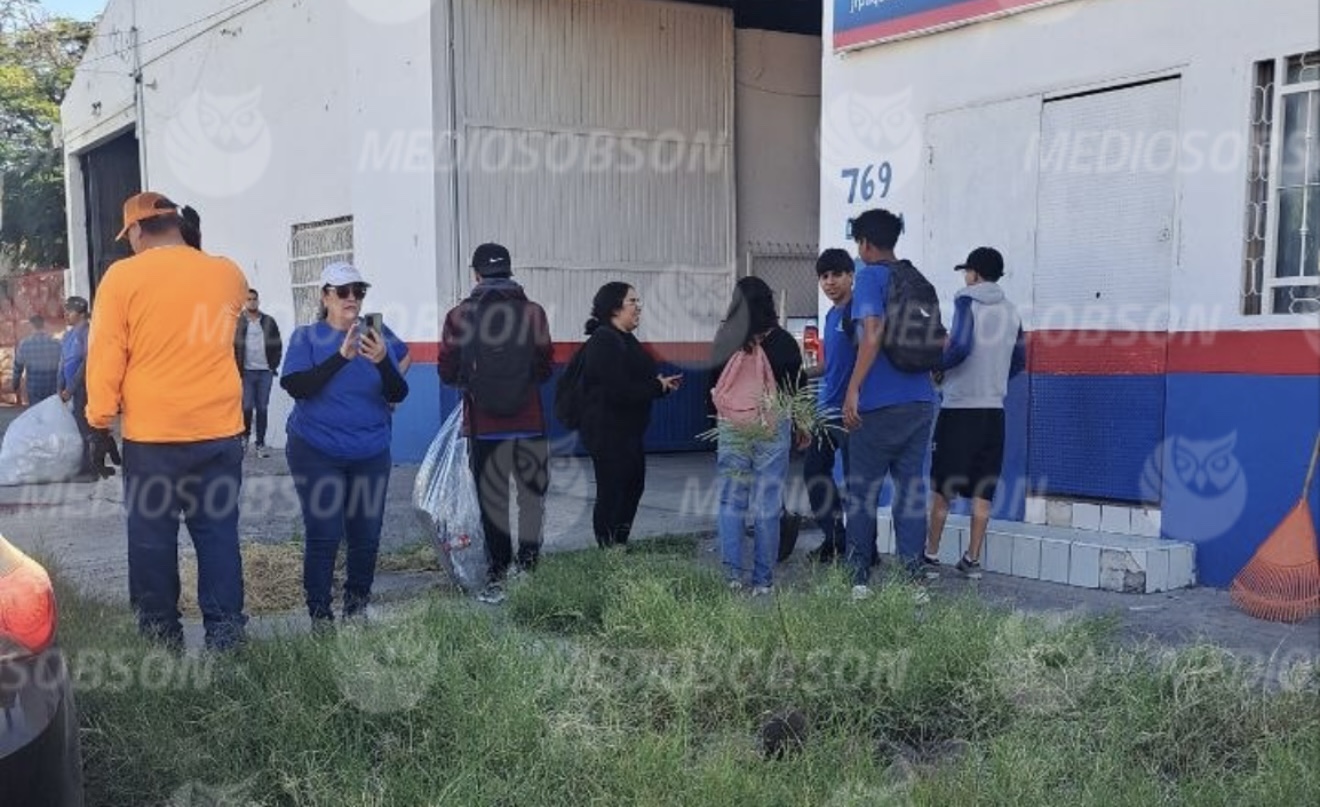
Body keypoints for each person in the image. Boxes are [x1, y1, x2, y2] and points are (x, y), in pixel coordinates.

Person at [87, 191, 249, 651]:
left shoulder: (122, 278)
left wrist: (99, 420)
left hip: (154, 438)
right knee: (218, 537)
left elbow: (107, 355)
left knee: (152, 543)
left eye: (130, 236)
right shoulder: (228, 273)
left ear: (137, 230)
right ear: (178, 224)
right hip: (220, 433)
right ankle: (226, 638)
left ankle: (162, 640)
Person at [280, 262, 408, 627]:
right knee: (325, 534)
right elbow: (295, 386)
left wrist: (383, 362)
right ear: (325, 296)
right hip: (316, 449)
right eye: (343, 291)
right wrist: (341, 358)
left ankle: (356, 608)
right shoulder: (306, 337)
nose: (352, 298)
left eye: (358, 291)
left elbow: (398, 390)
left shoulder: (377, 333)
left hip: (370, 450)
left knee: (365, 534)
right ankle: (320, 615)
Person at [438, 243, 553, 605]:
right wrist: (523, 383)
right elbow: (546, 365)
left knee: (493, 502)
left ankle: (498, 573)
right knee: (531, 499)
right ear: (509, 271)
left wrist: (472, 384)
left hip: (483, 425)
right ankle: (529, 566)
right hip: (529, 422)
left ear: (476, 274)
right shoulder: (533, 313)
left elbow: (446, 369)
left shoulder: (459, 316)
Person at [843, 208, 939, 600]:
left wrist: (853, 388)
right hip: (921, 401)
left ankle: (858, 580)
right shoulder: (916, 279)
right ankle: (914, 580)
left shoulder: (870, 277)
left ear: (865, 243)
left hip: (878, 405)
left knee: (862, 493)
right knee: (911, 490)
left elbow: (872, 332)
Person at [923, 247, 1026, 579]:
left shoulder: (966, 301)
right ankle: (972, 559)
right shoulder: (1012, 311)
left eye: (967, 271)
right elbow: (1020, 361)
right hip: (993, 412)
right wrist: (994, 380)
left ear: (976, 274)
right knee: (984, 489)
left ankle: (931, 555)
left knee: (943, 486)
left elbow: (961, 346)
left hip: (959, 409)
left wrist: (938, 366)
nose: (965, 277)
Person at [709, 275, 804, 595]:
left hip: (732, 427)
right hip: (772, 427)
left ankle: (732, 576)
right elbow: (796, 389)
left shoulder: (725, 338)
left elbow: (713, 386)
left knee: (731, 501)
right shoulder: (784, 342)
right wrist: (802, 425)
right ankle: (763, 580)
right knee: (767, 503)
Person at [578, 282, 682, 549]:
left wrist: (659, 385)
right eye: (632, 301)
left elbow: (632, 380)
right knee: (612, 492)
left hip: (629, 432)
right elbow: (618, 389)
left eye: (638, 301)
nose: (638, 307)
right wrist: (656, 387)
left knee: (633, 486)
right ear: (615, 308)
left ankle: (619, 544)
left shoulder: (625, 338)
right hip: (608, 432)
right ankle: (608, 550)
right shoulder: (604, 340)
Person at [802, 249, 857, 564]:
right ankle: (835, 539)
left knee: (856, 483)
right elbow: (831, 363)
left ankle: (863, 550)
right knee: (814, 473)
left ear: (851, 276)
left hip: (851, 414)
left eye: (837, 274)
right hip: (826, 413)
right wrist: (803, 373)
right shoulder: (831, 315)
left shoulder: (858, 315)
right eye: (824, 276)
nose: (830, 282)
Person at [234, 288, 283, 458]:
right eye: (248, 299)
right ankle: (245, 437)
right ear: (244, 302)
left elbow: (277, 344)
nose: (252, 302)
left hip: (265, 372)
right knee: (246, 407)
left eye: (254, 299)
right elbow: (232, 345)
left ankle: (260, 444)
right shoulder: (238, 322)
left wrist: (273, 364)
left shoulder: (268, 321)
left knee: (262, 408)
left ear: (258, 301)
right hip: (246, 372)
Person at [57, 296, 98, 481]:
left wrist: (71, 388)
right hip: (69, 391)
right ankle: (82, 467)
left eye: (70, 311)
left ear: (81, 313)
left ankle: (90, 470)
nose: (66, 314)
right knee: (77, 428)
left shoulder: (87, 333)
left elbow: (87, 363)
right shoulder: (67, 335)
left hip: (83, 389)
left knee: (86, 430)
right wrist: (60, 387)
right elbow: (62, 363)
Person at [11, 316, 62, 405]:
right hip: (52, 386)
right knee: (51, 411)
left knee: (36, 411)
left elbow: (18, 367)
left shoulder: (24, 344)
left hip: (34, 388)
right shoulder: (56, 343)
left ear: (31, 326)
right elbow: (63, 366)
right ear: (44, 325)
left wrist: (15, 384)